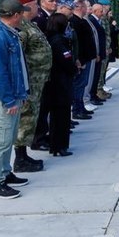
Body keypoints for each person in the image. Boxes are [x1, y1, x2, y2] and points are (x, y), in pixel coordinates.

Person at [0, 0, 30, 199]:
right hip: (4, 98)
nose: (24, 17)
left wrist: (21, 93)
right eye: (22, 14)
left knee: (8, 137)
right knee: (0, 140)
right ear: (16, 15)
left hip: (14, 95)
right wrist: (9, 100)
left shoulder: (9, 33)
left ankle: (5, 172)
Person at [13, 0, 52, 172]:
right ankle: (20, 159)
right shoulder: (21, 28)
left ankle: (24, 154)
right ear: (26, 6)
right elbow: (18, 56)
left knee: (31, 118)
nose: (38, 7)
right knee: (25, 119)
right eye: (36, 4)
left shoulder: (30, 25)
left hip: (38, 81)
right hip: (29, 82)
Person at [43, 13, 76, 156]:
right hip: (60, 82)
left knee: (57, 115)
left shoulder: (50, 39)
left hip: (54, 82)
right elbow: (66, 60)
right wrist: (74, 69)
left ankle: (56, 145)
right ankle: (60, 146)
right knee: (61, 115)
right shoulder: (59, 41)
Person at [70, 0, 96, 120]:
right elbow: (77, 43)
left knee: (83, 83)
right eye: (86, 7)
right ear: (80, 7)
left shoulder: (82, 21)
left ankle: (81, 107)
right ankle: (77, 109)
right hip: (82, 59)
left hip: (88, 57)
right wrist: (79, 60)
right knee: (79, 84)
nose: (87, 9)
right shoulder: (74, 22)